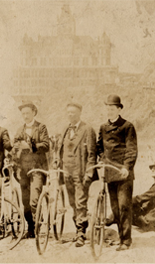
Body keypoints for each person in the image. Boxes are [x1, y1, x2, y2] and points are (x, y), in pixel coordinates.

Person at [97, 95, 138, 251]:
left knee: (124, 207)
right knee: (114, 208)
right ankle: (122, 237)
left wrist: (126, 167)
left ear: (119, 109)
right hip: (109, 172)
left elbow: (131, 149)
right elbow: (99, 147)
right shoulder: (102, 127)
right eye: (107, 108)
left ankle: (126, 240)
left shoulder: (127, 126)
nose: (109, 111)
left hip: (123, 173)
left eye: (112, 108)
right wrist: (102, 160)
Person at [54, 103, 97, 247]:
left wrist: (89, 171)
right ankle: (78, 229)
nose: (70, 115)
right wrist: (56, 162)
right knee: (72, 203)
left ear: (79, 113)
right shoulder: (66, 129)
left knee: (80, 202)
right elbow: (59, 149)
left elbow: (92, 154)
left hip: (81, 173)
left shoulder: (87, 129)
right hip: (67, 173)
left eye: (73, 112)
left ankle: (81, 233)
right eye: (68, 113)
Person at [12, 101, 50, 238]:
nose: (25, 116)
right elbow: (14, 146)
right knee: (25, 202)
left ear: (34, 112)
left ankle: (38, 222)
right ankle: (31, 228)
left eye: (28, 113)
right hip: (23, 170)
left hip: (37, 168)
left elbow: (46, 145)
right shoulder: (19, 130)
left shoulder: (41, 128)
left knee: (34, 199)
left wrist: (29, 146)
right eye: (23, 114)